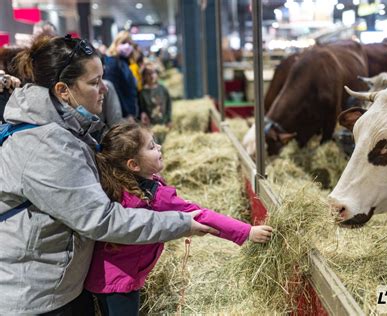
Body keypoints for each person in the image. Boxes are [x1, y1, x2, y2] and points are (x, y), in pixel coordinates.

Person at [0, 34, 216, 315]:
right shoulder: (47, 145)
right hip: (38, 296)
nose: (104, 89)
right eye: (93, 82)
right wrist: (181, 223)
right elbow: (100, 219)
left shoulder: (65, 129)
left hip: (54, 283)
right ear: (63, 90)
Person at [84, 123, 273, 315]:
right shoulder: (156, 197)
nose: (159, 147)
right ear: (133, 165)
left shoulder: (118, 184)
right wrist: (247, 232)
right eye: (151, 147)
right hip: (121, 283)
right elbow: (204, 216)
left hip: (103, 274)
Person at [104, 31, 139, 121]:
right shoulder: (112, 62)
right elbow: (114, 90)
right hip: (121, 114)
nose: (127, 46)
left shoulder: (124, 62)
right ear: (116, 43)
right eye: (123, 43)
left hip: (130, 111)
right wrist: (127, 113)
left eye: (130, 44)